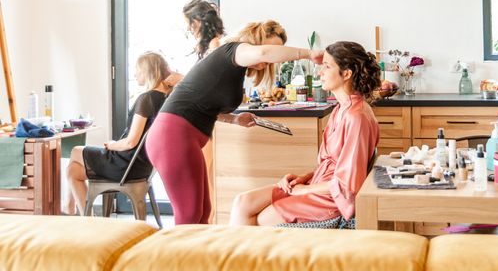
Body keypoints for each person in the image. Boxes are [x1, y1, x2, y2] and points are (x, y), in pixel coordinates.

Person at [146, 20, 324, 225]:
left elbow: (205, 106)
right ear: (256, 41)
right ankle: (173, 257)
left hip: (181, 135)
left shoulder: (234, 67)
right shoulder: (234, 50)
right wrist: (310, 53)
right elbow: (264, 53)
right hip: (173, 135)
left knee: (203, 211)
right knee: (189, 214)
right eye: (273, 48)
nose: (269, 60)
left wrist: (235, 119)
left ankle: (196, 257)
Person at [229, 41, 380, 226]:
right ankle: (240, 255)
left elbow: (348, 185)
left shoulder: (357, 117)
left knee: (262, 220)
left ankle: (250, 254)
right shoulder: (340, 109)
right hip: (319, 185)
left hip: (332, 199)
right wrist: (304, 178)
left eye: (326, 66)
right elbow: (333, 164)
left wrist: (302, 190)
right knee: (242, 202)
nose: (320, 72)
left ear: (346, 73)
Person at [63, 52, 172, 215]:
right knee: (72, 170)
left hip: (127, 165)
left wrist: (113, 145)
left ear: (147, 71)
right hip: (144, 166)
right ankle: (79, 213)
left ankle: (76, 212)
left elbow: (130, 142)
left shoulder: (146, 99)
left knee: (75, 150)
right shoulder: (166, 98)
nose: (135, 74)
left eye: (137, 70)